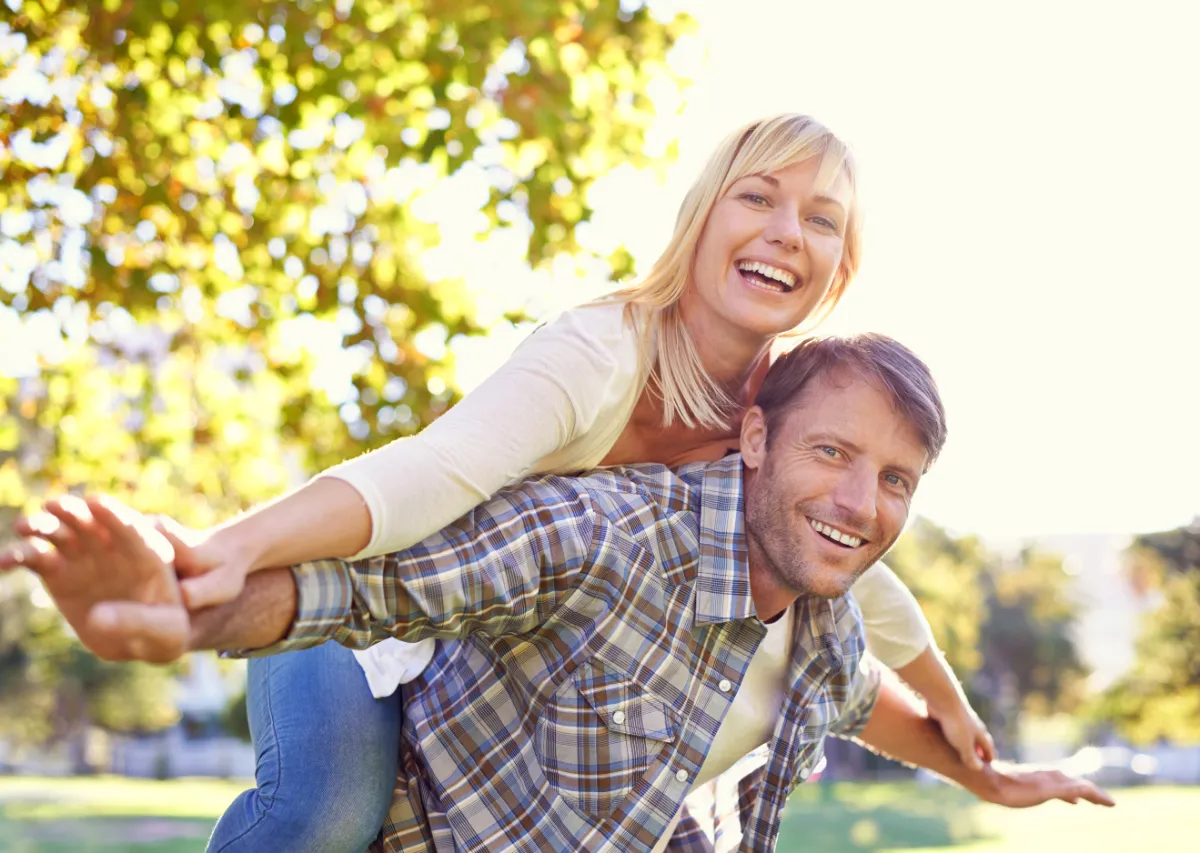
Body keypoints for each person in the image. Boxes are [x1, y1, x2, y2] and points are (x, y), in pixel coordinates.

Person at [10, 114, 993, 852]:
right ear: (701, 217)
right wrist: (218, 555)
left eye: (820, 218)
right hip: (371, 607)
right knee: (327, 810)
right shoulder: (601, 353)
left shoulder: (781, 419)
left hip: (482, 664)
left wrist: (954, 713)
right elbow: (432, 470)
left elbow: (858, 579)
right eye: (759, 198)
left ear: (838, 267)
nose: (786, 231)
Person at [3, 334, 1113, 853]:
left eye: (896, 480)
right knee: (317, 816)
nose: (862, 501)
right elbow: (375, 582)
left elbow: (868, 701)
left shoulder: (828, 621)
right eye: (832, 452)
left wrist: (990, 774)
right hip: (362, 664)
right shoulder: (608, 528)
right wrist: (190, 602)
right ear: (753, 438)